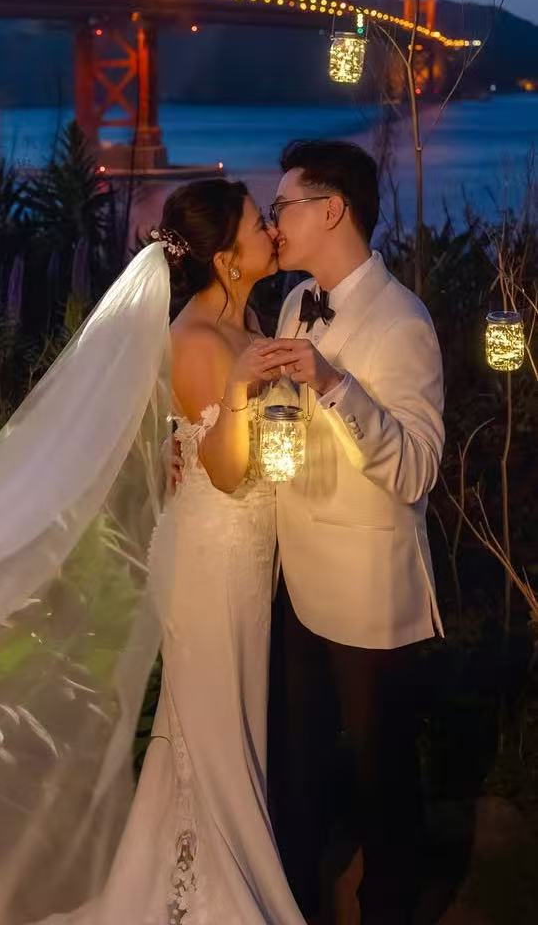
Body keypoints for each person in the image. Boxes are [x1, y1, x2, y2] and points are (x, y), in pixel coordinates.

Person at [91, 178, 305, 924]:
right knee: (214, 734)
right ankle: (216, 901)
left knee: (220, 729)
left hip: (241, 555)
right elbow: (221, 469)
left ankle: (178, 883)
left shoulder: (243, 323)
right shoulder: (197, 339)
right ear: (226, 258)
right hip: (211, 561)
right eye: (258, 224)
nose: (272, 232)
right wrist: (243, 392)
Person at [263, 140, 444, 925]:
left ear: (330, 209)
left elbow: (413, 473)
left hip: (370, 597)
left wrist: (337, 385)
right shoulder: (293, 300)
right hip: (296, 583)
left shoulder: (402, 321)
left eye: (282, 208)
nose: (273, 223)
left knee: (383, 787)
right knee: (299, 769)